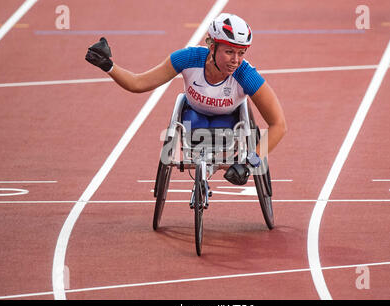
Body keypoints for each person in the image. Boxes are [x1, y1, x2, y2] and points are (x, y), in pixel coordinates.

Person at [85, 13, 286, 185]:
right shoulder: (187, 58)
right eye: (229, 52)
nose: (235, 60)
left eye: (241, 53)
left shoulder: (245, 75)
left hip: (230, 120)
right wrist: (108, 66)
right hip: (193, 114)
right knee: (195, 128)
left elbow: (278, 125)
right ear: (212, 46)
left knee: (223, 132)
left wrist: (249, 163)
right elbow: (138, 83)